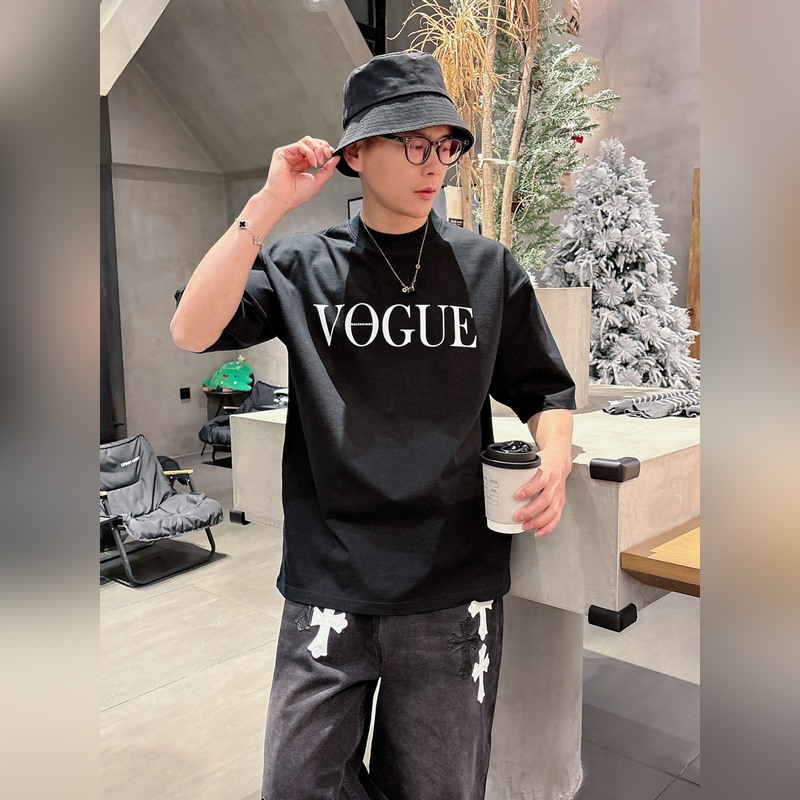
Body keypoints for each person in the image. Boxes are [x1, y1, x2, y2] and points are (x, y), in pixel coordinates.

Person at [171, 51, 575, 800]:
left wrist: (555, 459)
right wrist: (269, 203)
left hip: (452, 582)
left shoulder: (489, 270)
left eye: (445, 145)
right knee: (297, 785)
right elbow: (191, 329)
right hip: (331, 577)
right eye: (414, 144)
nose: (435, 165)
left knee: (439, 789)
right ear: (356, 152)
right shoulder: (302, 265)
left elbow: (546, 391)